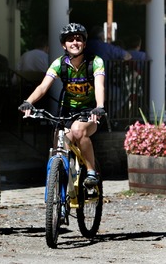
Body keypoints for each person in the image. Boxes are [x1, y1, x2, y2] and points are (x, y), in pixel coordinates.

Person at [18, 23, 106, 188]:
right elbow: (43, 87)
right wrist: (28, 102)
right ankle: (63, 189)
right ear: (63, 45)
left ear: (84, 44)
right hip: (66, 111)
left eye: (78, 39)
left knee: (78, 131)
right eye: (70, 39)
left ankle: (91, 173)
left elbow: (100, 85)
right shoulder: (59, 64)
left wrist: (99, 106)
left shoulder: (95, 62)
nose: (74, 42)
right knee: (61, 144)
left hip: (89, 111)